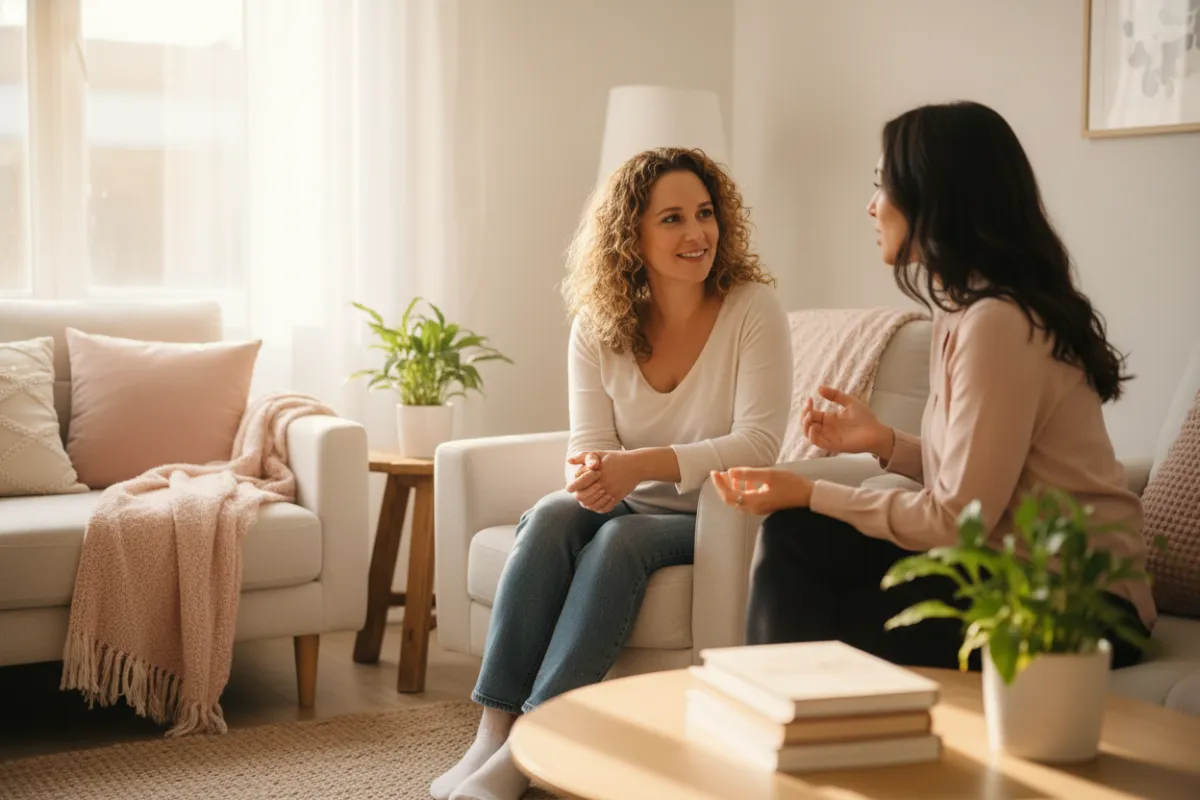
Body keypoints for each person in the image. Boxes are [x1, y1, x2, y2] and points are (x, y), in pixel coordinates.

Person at [710, 101, 1154, 671]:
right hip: (1006, 572)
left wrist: (807, 489)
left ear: (936, 196)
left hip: (1082, 604)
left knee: (803, 547)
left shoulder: (999, 322)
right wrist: (882, 442)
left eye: (882, 186)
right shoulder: (964, 311)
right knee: (799, 542)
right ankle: (789, 732)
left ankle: (781, 734)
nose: (870, 206)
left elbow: (955, 518)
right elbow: (986, 482)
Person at [432, 147, 792, 800]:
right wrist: (594, 474)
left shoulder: (752, 309)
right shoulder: (599, 325)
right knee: (547, 518)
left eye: (706, 215)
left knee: (621, 540)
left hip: (722, 514)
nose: (697, 234)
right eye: (673, 219)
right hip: (628, 499)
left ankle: (531, 744)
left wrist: (638, 467)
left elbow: (758, 444)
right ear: (632, 235)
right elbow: (589, 448)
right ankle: (491, 731)